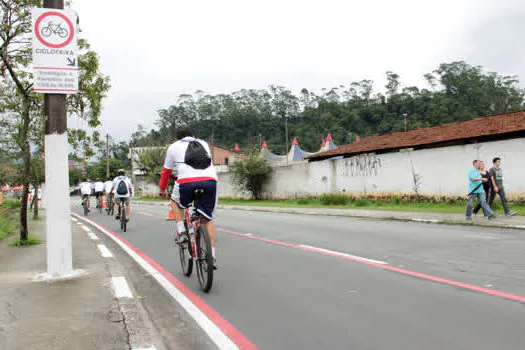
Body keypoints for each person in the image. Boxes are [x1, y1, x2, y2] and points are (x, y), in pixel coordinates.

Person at [158, 127, 218, 268]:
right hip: (210, 181)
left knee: (175, 201)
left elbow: (166, 172)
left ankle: (182, 231)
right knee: (207, 219)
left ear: (178, 138)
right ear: (193, 135)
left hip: (186, 183)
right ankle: (212, 256)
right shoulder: (203, 143)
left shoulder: (173, 147)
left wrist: (162, 189)